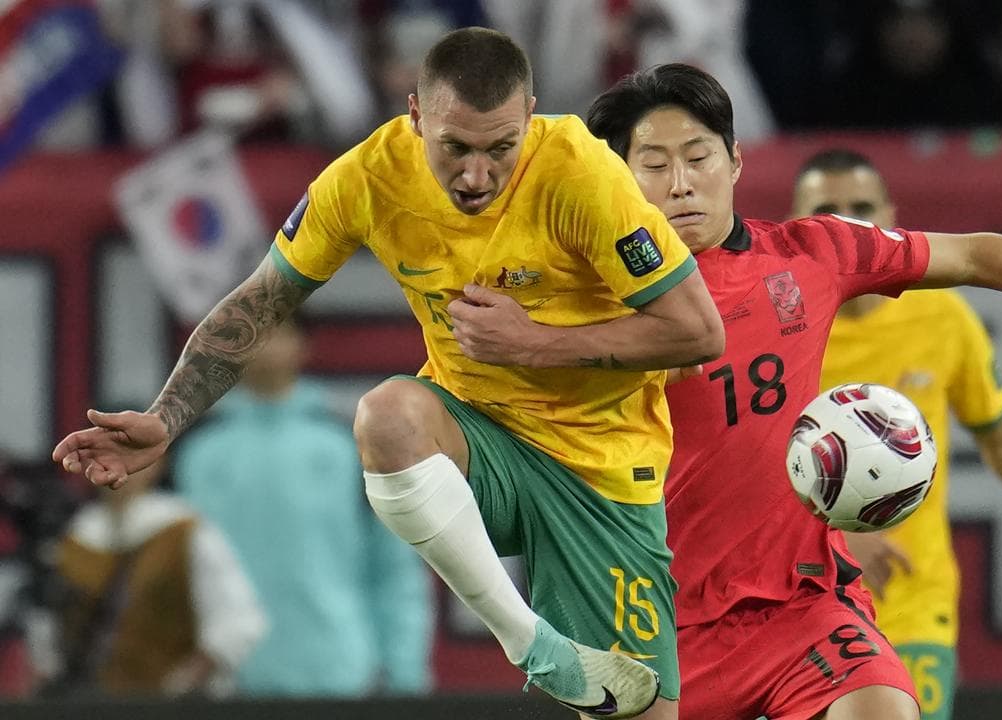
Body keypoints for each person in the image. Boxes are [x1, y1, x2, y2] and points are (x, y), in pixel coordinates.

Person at [53, 27, 725, 720]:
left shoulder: (583, 175)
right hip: (479, 447)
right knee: (387, 416)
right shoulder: (366, 178)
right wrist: (167, 418)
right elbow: (260, 301)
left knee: (639, 715)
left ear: (531, 114)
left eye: (501, 148)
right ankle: (532, 644)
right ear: (414, 115)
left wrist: (533, 343)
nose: (475, 176)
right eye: (454, 148)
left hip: (602, 472)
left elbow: (698, 332)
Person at [585, 63, 1002, 720]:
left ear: (734, 162)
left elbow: (975, 255)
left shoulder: (810, 256)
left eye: (698, 157)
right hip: (659, 622)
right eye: (653, 164)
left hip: (804, 608)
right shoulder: (588, 302)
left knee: (883, 709)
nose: (680, 184)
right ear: (623, 178)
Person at [794, 149, 1002, 720]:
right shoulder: (780, 322)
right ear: (797, 221)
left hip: (913, 603)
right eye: (827, 208)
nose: (848, 220)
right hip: (797, 602)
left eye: (862, 206)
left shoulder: (943, 320)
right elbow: (734, 463)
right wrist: (833, 536)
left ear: (890, 216)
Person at [172, 319, 434, 697]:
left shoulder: (349, 444)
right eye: (246, 335)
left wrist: (406, 677)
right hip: (221, 682)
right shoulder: (194, 451)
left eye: (277, 331)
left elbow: (393, 568)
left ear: (303, 345)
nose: (262, 345)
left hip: (337, 676)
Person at [42, 459, 264, 697]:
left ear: (156, 464)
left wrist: (185, 682)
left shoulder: (183, 532)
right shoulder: (75, 539)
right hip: (91, 702)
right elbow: (49, 636)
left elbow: (238, 619)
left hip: (172, 705)